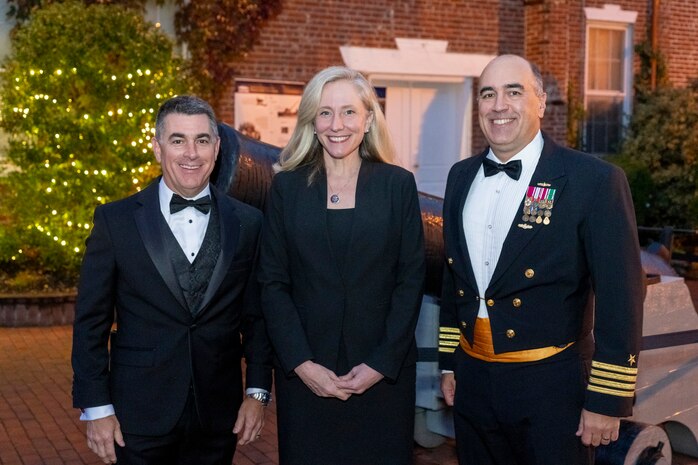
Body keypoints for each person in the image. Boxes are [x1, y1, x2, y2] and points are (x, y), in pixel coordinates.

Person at [438, 54, 644, 465]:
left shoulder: (592, 181)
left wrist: (607, 397)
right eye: (488, 94)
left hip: (552, 386)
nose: (499, 105)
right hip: (474, 382)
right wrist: (449, 364)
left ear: (540, 102)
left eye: (514, 92)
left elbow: (621, 295)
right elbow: (454, 278)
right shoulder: (460, 176)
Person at [71, 95, 273, 465]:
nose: (190, 153)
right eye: (178, 140)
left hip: (218, 415)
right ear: (157, 147)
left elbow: (258, 318)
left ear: (216, 147)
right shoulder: (115, 222)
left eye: (201, 140)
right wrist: (96, 407)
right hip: (137, 416)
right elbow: (90, 323)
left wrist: (256, 393)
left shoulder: (249, 223)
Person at [258, 66, 426, 465]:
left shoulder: (397, 185)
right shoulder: (286, 188)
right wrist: (300, 363)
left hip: (382, 377)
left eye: (349, 112)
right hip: (306, 376)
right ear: (311, 123)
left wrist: (380, 365)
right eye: (325, 112)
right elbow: (272, 282)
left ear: (368, 120)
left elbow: (410, 280)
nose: (338, 125)